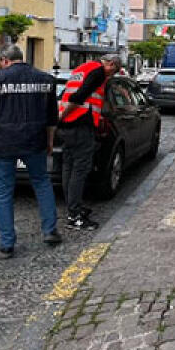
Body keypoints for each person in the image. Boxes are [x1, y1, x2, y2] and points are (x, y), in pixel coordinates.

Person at [0, 44, 61, 257]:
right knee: (41, 183)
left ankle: (6, 242)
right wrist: (49, 141)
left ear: (4, 60)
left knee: (3, 191)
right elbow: (52, 117)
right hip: (35, 141)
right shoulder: (45, 80)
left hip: (2, 143)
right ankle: (50, 231)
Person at [57, 53, 121, 230]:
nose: (110, 75)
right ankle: (75, 216)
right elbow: (79, 96)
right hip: (80, 125)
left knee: (68, 168)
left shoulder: (80, 69)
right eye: (112, 71)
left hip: (67, 127)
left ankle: (72, 208)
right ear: (109, 63)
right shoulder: (98, 71)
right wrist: (62, 116)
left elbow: (67, 94)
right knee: (80, 170)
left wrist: (61, 119)